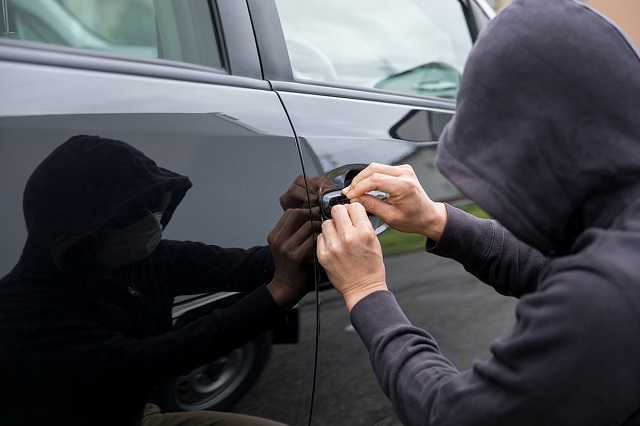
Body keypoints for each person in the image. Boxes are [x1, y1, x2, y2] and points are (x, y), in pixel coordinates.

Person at [316, 0, 640, 424]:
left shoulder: (611, 293)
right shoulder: (624, 240)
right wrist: (436, 220)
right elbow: (551, 270)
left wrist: (365, 293)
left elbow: (453, 416)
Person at [0, 135, 316, 425]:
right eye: (132, 213)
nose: (152, 219)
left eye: (154, 204)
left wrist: (310, 224)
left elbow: (250, 266)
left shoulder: (138, 260)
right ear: (79, 230)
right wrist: (279, 293)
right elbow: (147, 361)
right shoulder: (22, 311)